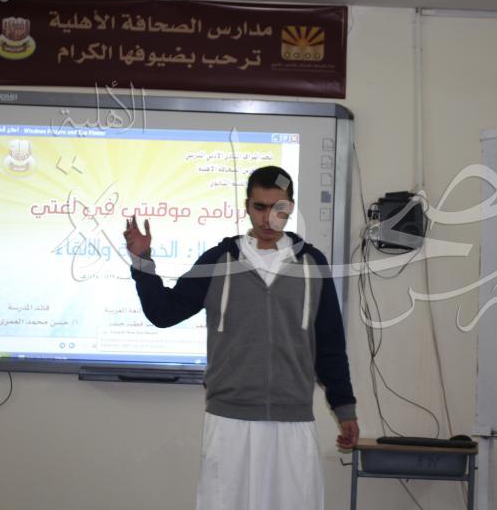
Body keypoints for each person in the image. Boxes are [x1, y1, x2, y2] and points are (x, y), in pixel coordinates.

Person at [123, 165, 359, 510]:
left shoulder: (313, 264)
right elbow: (164, 312)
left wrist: (345, 409)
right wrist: (142, 261)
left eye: (278, 208)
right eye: (260, 207)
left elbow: (330, 346)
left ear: (290, 208)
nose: (268, 218)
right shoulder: (219, 260)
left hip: (292, 421)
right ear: (247, 206)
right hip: (228, 422)